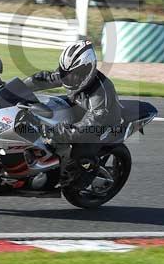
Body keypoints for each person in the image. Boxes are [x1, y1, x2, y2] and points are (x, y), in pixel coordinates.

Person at [28, 39, 122, 188]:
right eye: (65, 72)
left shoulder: (100, 94)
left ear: (87, 70)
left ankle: (84, 178)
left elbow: (89, 126)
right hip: (80, 106)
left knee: (79, 154)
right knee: (46, 109)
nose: (67, 77)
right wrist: (15, 88)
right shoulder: (71, 73)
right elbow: (44, 79)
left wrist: (60, 131)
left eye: (72, 74)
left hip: (103, 124)